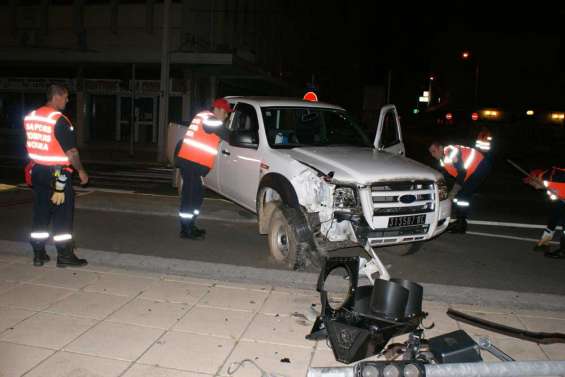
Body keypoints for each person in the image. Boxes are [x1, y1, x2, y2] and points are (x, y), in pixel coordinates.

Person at [24, 84, 88, 267]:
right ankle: (65, 255)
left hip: (37, 171)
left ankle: (38, 254)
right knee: (63, 215)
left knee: (41, 213)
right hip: (58, 174)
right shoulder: (58, 120)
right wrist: (81, 170)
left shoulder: (32, 117)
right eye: (66, 97)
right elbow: (72, 152)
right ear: (57, 97)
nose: (67, 100)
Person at [174, 98, 231, 240]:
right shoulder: (210, 120)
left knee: (196, 196)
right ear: (217, 110)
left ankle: (190, 226)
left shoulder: (203, 116)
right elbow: (229, 136)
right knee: (190, 198)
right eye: (225, 113)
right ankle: (186, 230)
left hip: (191, 163)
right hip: (190, 163)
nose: (226, 116)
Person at [429, 142, 491, 233]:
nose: (433, 155)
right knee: (460, 197)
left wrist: (455, 189)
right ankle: (460, 222)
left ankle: (461, 224)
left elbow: (461, 172)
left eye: (434, 151)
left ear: (441, 148)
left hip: (480, 167)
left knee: (462, 196)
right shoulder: (443, 159)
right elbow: (445, 175)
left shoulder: (450, 152)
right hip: (473, 170)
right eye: (431, 153)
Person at [524, 167, 565, 258]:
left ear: (536, 178)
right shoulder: (549, 184)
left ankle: (563, 252)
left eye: (531, 182)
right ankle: (545, 245)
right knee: (558, 219)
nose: (533, 186)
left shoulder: (552, 177)